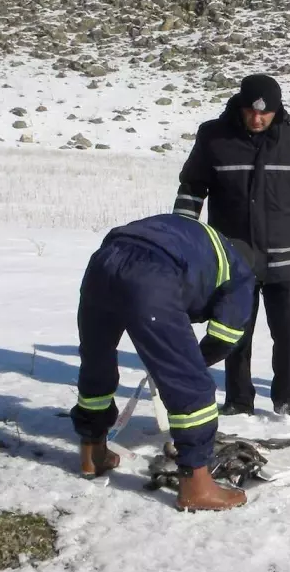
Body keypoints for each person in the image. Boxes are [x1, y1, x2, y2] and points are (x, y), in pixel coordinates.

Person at [172, 74, 290, 423]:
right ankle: (238, 399)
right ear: (241, 106)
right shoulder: (214, 136)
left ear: (277, 111)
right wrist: (182, 235)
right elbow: (192, 188)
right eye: (252, 111)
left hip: (286, 253)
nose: (258, 118)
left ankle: (288, 398)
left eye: (266, 113)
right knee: (234, 331)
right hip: (235, 256)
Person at [69, 213, 263, 511]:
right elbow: (225, 336)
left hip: (103, 262)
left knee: (97, 361)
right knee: (192, 385)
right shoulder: (240, 273)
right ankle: (196, 483)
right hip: (151, 273)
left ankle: (92, 452)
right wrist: (188, 363)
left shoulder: (198, 241)